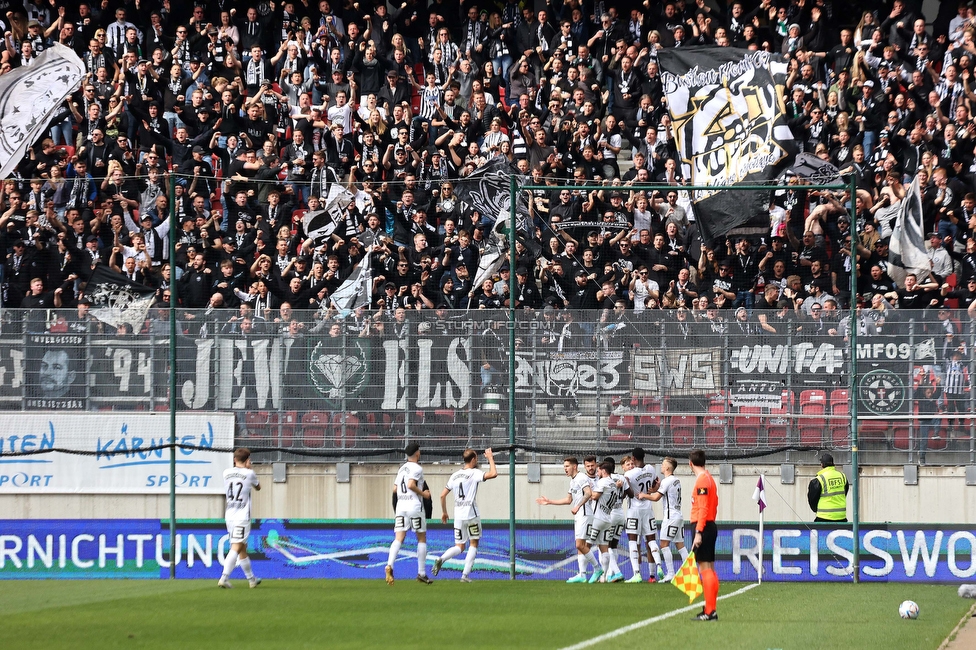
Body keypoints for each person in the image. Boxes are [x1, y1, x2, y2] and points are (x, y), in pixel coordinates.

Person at [432, 448, 498, 582]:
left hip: (458, 516)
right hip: (471, 514)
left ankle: (441, 558)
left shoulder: (454, 476)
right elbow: (493, 473)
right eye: (477, 458)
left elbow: (442, 495)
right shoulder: (474, 473)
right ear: (473, 459)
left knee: (459, 546)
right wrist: (490, 458)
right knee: (473, 543)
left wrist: (444, 512)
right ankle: (465, 575)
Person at [535, 455, 600, 583]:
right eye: (564, 466)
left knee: (580, 544)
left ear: (574, 466)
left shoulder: (581, 477)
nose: (565, 469)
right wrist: (550, 502)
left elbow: (588, 493)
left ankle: (597, 569)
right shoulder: (573, 480)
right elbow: (568, 499)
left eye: (567, 466)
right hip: (579, 515)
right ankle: (582, 574)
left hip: (585, 514)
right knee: (580, 546)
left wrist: (578, 506)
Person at [387, 442, 433, 585]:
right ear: (417, 453)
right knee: (421, 537)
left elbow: (395, 489)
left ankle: (389, 565)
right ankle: (421, 573)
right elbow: (411, 485)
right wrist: (424, 494)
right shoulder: (417, 468)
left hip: (401, 506)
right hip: (414, 506)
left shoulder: (402, 469)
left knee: (399, 537)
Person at [639, 456, 688, 581]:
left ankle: (671, 573)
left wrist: (644, 495)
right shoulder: (676, 480)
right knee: (680, 545)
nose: (661, 466)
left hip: (670, 517)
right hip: (678, 516)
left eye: (663, 464)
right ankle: (690, 573)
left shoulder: (666, 481)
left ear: (667, 467)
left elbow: (656, 498)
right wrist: (656, 489)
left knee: (664, 545)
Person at [218, 447, 261, 588]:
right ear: (248, 460)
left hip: (229, 515)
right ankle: (224, 578)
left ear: (234, 460)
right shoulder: (250, 474)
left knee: (242, 547)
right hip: (242, 516)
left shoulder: (226, 473)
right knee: (236, 546)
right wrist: (248, 468)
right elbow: (258, 487)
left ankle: (251, 579)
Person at [622, 447, 663, 582]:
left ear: (633, 458)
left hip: (634, 509)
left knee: (633, 541)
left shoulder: (629, 474)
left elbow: (626, 493)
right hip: (648, 509)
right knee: (651, 540)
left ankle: (637, 573)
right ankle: (656, 571)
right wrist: (653, 489)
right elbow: (654, 485)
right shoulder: (651, 469)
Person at [689, 449, 719, 621]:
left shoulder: (702, 481)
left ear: (690, 464)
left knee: (705, 568)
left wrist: (698, 532)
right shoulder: (709, 478)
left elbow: (703, 508)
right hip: (709, 525)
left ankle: (710, 611)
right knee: (710, 569)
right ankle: (711, 609)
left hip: (704, 525)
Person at [587, 458, 627, 583]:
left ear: (604, 471)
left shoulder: (603, 481)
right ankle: (604, 577)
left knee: (584, 546)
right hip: (608, 519)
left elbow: (594, 496)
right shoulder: (614, 484)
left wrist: (588, 490)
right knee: (605, 547)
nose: (597, 473)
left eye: (599, 470)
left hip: (597, 518)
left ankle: (591, 571)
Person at [807, 452, 849, 521]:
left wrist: (816, 510)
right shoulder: (842, 476)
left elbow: (812, 499)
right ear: (833, 464)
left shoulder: (819, 479)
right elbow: (844, 493)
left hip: (824, 517)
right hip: (841, 517)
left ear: (822, 465)